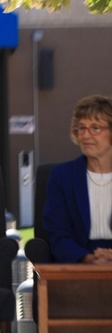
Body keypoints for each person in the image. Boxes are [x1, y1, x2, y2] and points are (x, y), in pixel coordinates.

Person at [43, 94, 112, 264]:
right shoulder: (62, 177)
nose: (85, 135)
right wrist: (88, 259)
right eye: (81, 128)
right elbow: (58, 233)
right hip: (76, 265)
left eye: (95, 128)